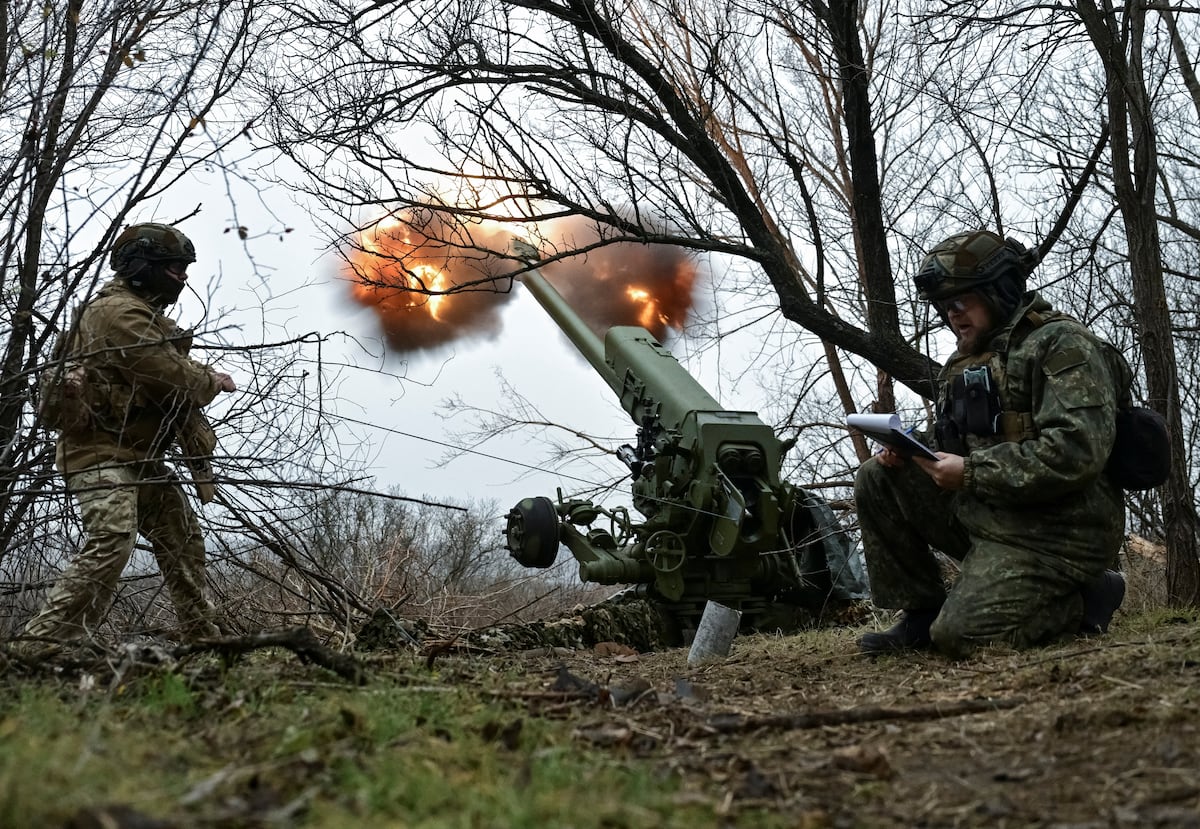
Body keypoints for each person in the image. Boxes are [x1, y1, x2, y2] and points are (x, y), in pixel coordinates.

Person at [854, 229, 1128, 657]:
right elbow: (955, 442)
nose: (952, 315)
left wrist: (972, 472)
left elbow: (1076, 452)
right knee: (877, 476)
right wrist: (911, 448)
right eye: (945, 307)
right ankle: (922, 613)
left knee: (963, 636)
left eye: (961, 302)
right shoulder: (965, 359)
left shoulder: (1061, 345)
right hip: (992, 513)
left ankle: (1087, 597)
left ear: (997, 291)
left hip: (1059, 532)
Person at [24, 222, 237, 647]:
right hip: (100, 455)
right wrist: (210, 380)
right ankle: (39, 646)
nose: (183, 276)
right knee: (112, 541)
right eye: (174, 267)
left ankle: (202, 639)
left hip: (138, 458)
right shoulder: (118, 313)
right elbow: (167, 373)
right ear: (143, 266)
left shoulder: (141, 312)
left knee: (182, 540)